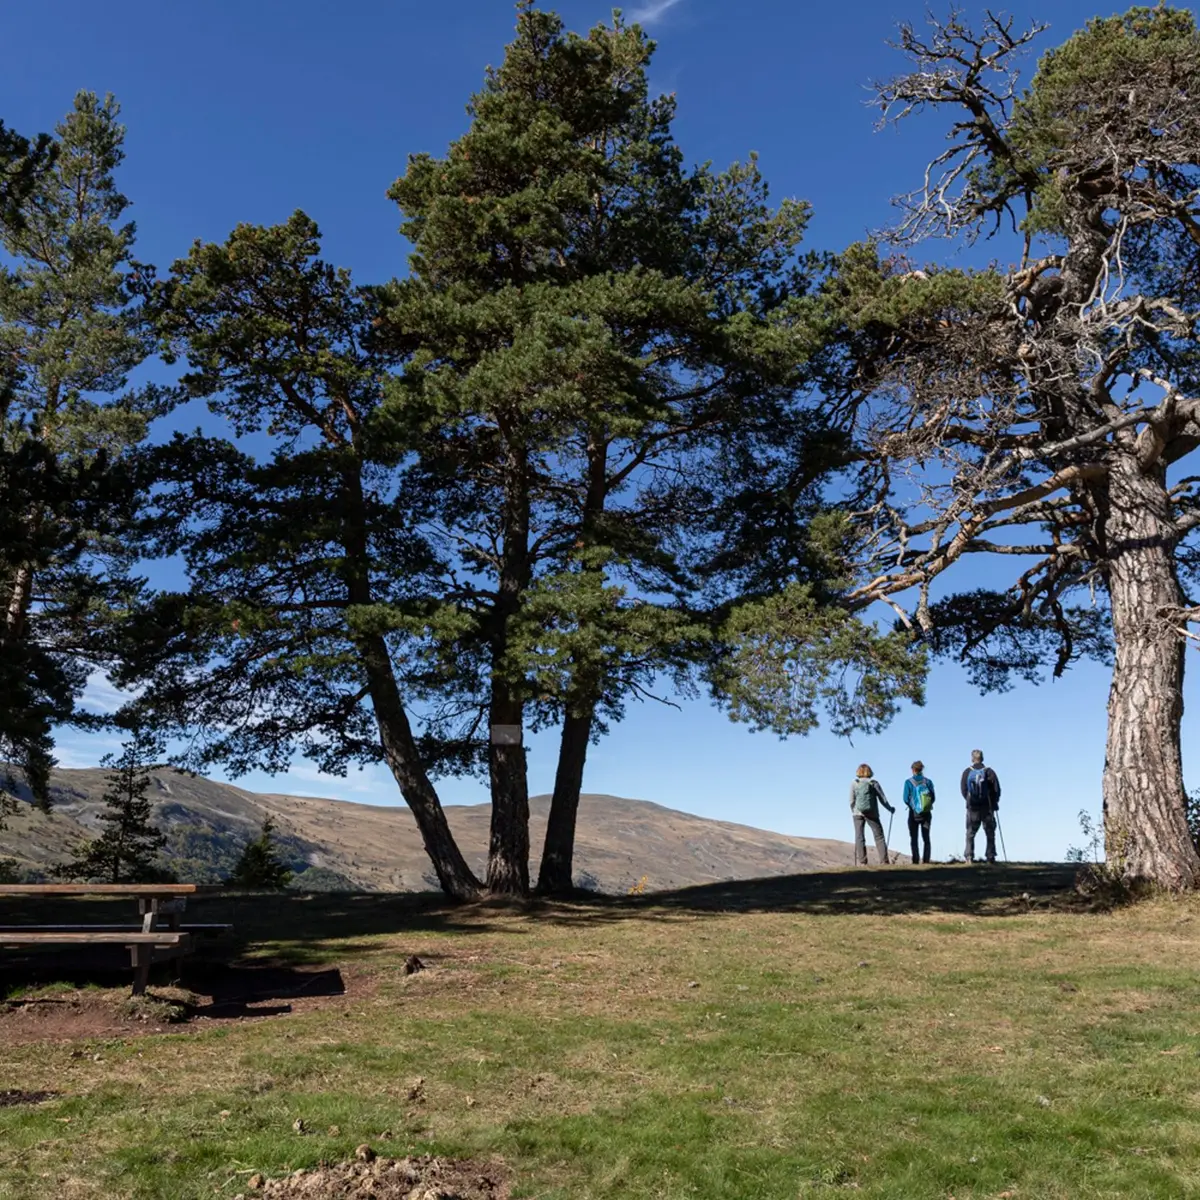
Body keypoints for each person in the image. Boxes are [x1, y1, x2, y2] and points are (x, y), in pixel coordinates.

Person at [960, 749, 1001, 863]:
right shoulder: (989, 771)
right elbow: (996, 789)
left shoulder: (967, 772)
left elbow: (963, 789)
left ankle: (969, 856)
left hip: (973, 806)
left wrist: (969, 800)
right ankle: (990, 856)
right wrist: (994, 802)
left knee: (970, 832)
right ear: (982, 758)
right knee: (989, 832)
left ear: (972, 759)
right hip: (987, 806)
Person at [849, 763, 894, 866]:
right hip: (872, 813)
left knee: (859, 837)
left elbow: (851, 800)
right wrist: (890, 809)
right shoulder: (874, 783)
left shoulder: (854, 783)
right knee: (879, 836)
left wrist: (854, 810)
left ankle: (862, 862)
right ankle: (884, 861)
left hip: (857, 813)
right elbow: (883, 799)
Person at [902, 760, 935, 864]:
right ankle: (926, 860)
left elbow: (905, 799)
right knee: (926, 838)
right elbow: (933, 797)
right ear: (922, 769)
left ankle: (915, 860)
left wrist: (913, 806)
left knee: (914, 838)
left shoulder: (908, 782)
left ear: (913, 770)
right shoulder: (928, 782)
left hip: (913, 813)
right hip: (926, 813)